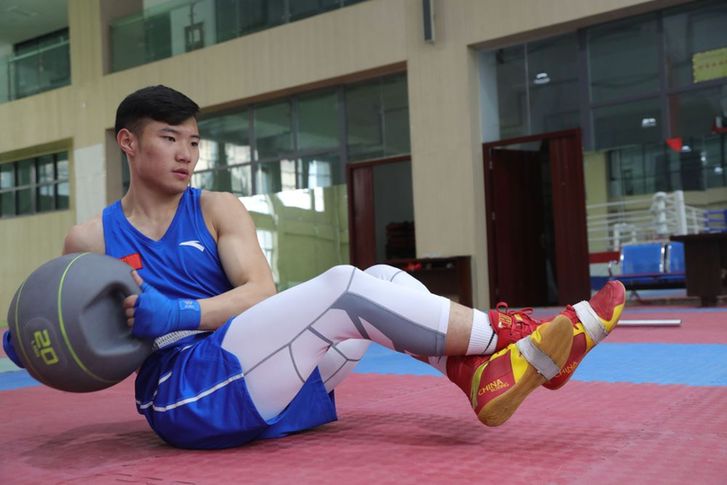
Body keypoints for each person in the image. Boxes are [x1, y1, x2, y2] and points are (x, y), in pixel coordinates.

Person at [2, 85, 625, 450]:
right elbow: (84, 342)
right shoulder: (89, 239)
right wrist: (36, 346)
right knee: (345, 290)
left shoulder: (217, 208)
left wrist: (182, 310)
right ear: (128, 142)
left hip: (260, 370)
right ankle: (512, 336)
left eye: (193, 141)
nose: (187, 154)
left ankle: (478, 375)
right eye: (169, 138)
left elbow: (260, 293)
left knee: (381, 278)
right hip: (186, 395)